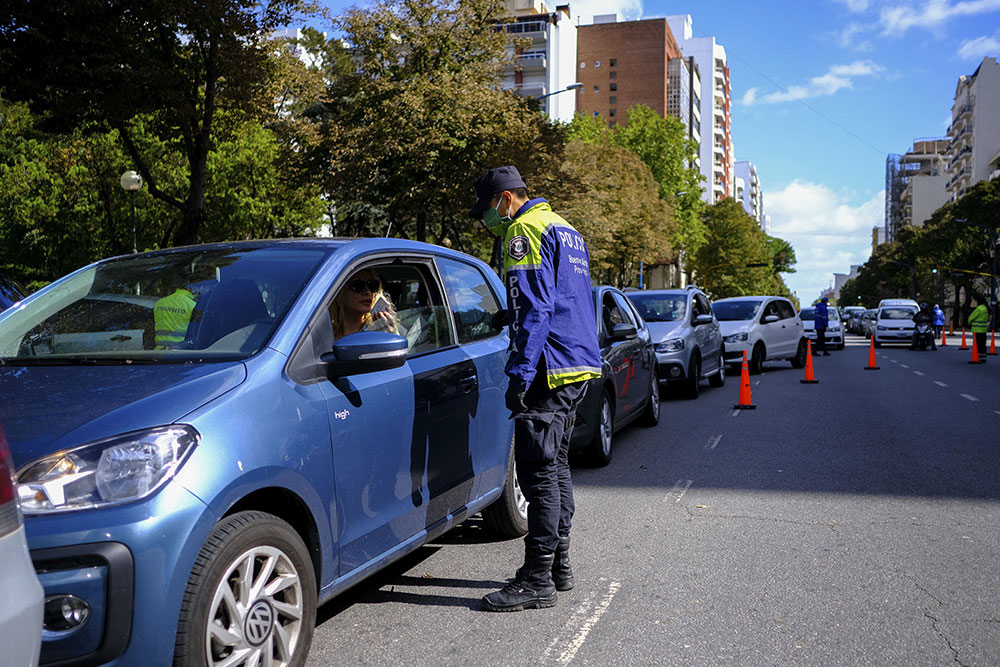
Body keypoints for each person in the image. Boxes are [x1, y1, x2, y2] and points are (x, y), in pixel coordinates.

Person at [470, 166, 601, 613]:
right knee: (557, 465)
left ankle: (537, 579)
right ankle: (559, 564)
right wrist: (506, 319)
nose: (487, 219)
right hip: (579, 361)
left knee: (537, 473)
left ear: (504, 199)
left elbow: (535, 307)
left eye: (487, 208)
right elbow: (562, 297)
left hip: (549, 365)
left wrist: (520, 375)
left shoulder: (522, 230)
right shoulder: (565, 228)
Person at [330, 269, 396, 339]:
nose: (368, 292)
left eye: (372, 286)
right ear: (340, 291)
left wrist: (392, 336)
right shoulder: (326, 334)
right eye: (358, 285)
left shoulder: (380, 332)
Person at [968, 296, 989, 361]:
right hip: (983, 329)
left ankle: (978, 356)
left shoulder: (979, 309)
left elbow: (971, 317)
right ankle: (983, 356)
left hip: (977, 329)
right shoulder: (986, 308)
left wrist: (969, 322)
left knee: (978, 344)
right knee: (983, 344)